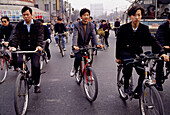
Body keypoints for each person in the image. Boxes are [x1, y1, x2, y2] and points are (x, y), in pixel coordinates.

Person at [116, 6, 169, 98]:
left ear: (141, 16)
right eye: (134, 15)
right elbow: (119, 44)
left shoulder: (144, 28)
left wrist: (162, 52)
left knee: (144, 72)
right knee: (128, 66)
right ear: (130, 16)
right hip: (126, 52)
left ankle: (138, 90)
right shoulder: (123, 28)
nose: (137, 17)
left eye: (139, 15)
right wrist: (118, 57)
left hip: (137, 52)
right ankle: (126, 86)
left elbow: (153, 41)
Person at [9, 6, 44, 93]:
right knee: (19, 62)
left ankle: (37, 84)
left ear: (31, 15)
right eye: (24, 15)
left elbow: (40, 36)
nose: (26, 17)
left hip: (34, 49)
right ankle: (26, 73)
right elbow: (16, 36)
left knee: (36, 65)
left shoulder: (38, 24)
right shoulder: (19, 25)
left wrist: (39, 45)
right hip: (23, 49)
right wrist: (13, 46)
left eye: (27, 14)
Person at [70, 8, 103, 77]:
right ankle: (75, 69)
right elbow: (75, 36)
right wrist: (75, 45)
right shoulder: (77, 25)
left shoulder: (91, 25)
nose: (86, 17)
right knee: (78, 57)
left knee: (89, 59)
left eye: (87, 15)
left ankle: (88, 75)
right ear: (81, 16)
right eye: (84, 15)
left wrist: (97, 44)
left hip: (86, 45)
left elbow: (94, 35)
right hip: (78, 46)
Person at [155, 13, 170, 91]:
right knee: (160, 62)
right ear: (168, 20)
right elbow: (159, 38)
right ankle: (158, 82)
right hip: (162, 46)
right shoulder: (163, 27)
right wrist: (164, 46)